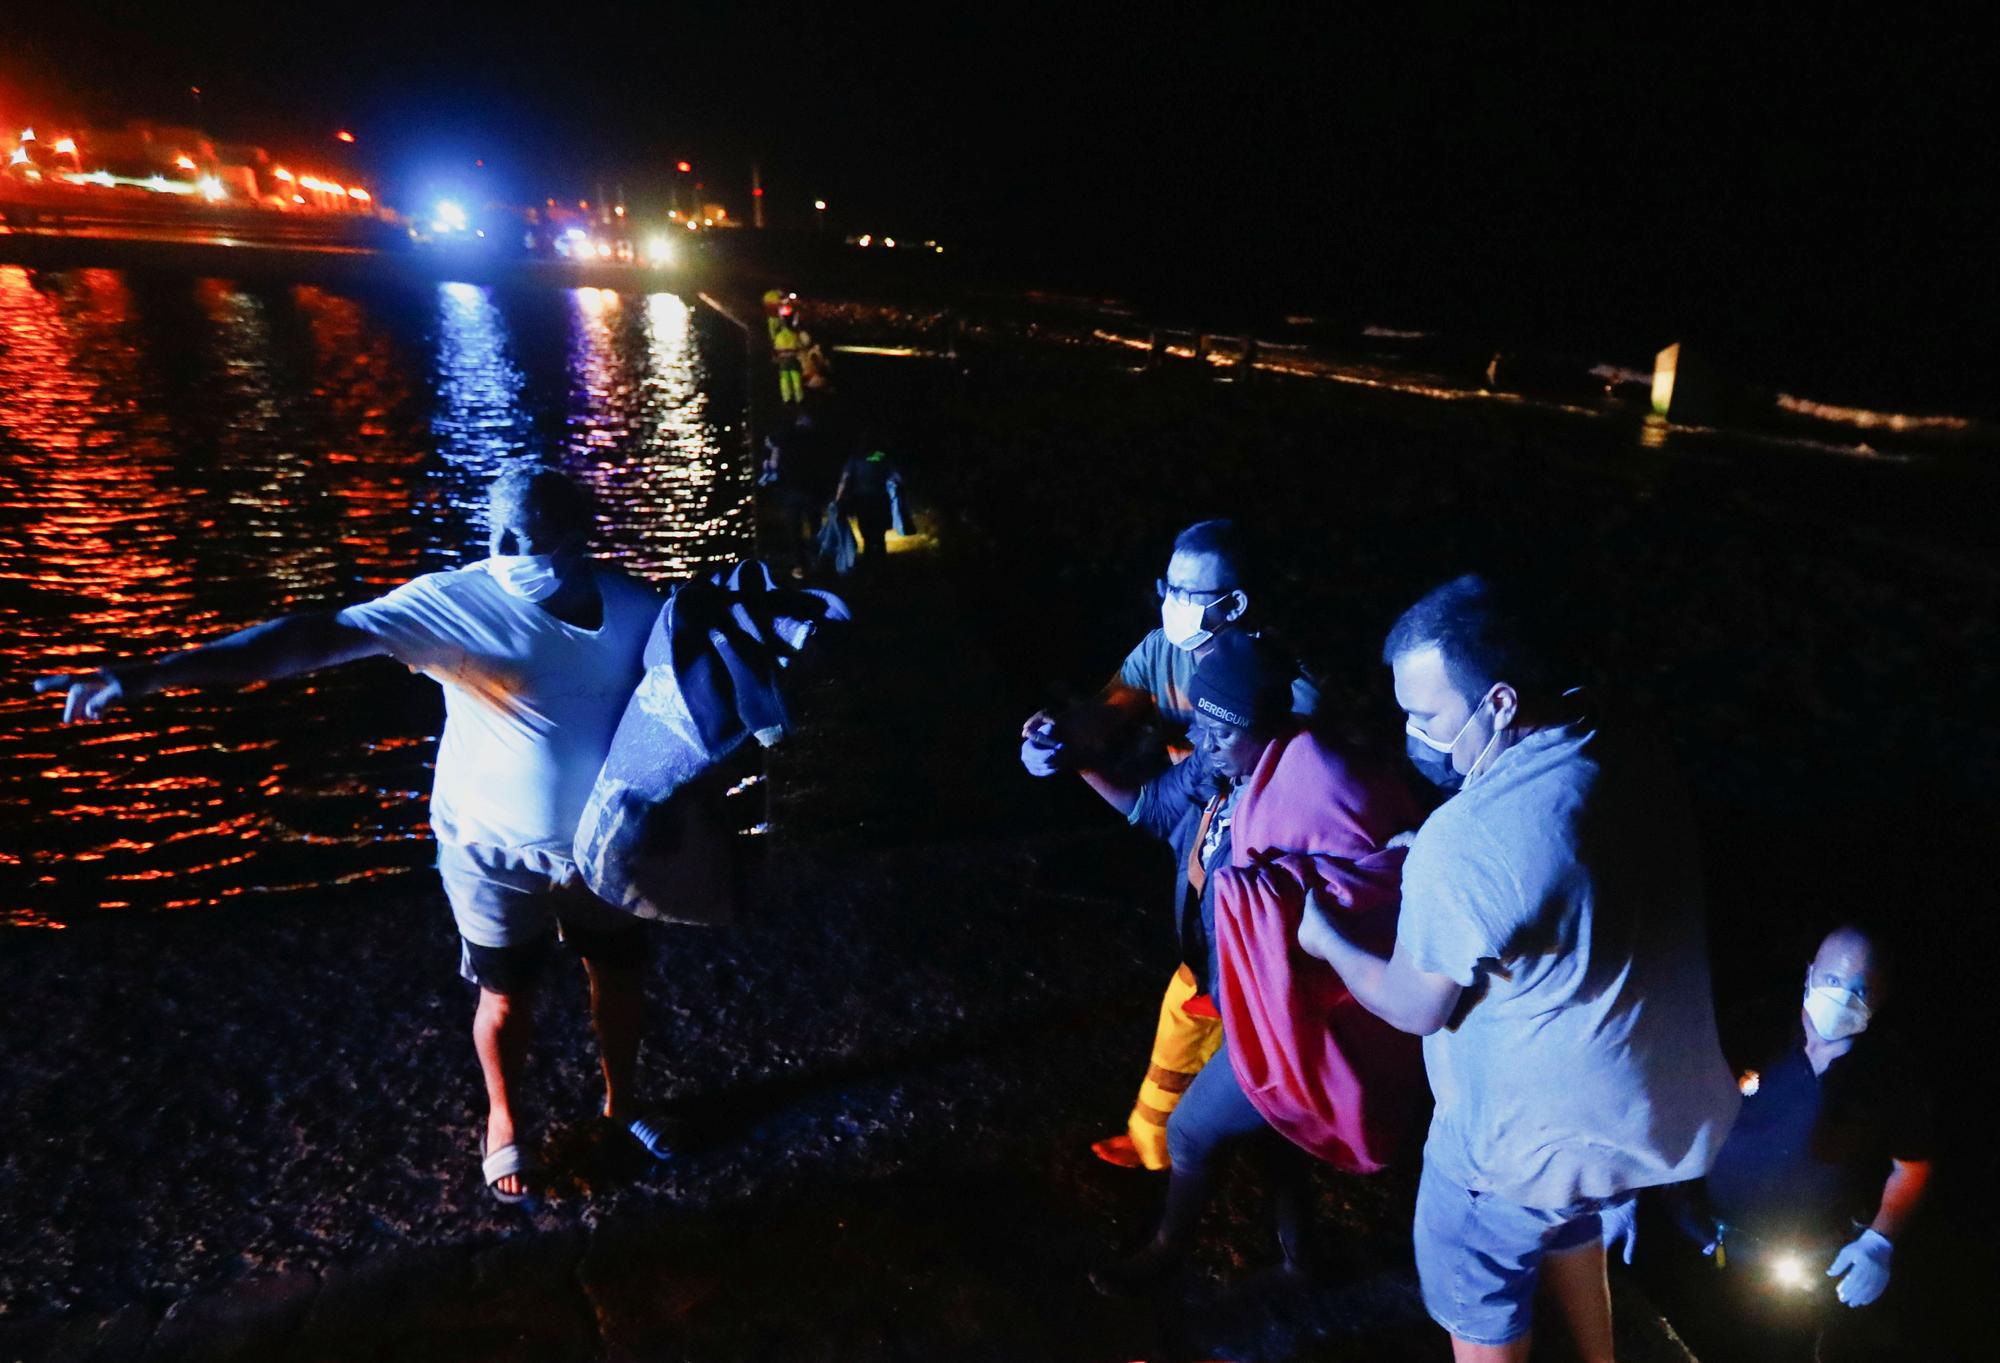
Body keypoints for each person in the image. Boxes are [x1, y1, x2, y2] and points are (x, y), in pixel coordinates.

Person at [35, 467, 679, 1204]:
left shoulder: (638, 606)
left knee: (620, 971)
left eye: (521, 536)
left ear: (574, 541)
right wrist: (153, 672)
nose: (500, 547)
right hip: (487, 849)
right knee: (505, 994)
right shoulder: (453, 603)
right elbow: (313, 638)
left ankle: (621, 1107)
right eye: (495, 531)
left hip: (604, 840)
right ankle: (504, 1119)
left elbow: (689, 698)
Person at [1296, 573, 1740, 1363]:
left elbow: (1413, 1005)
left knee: (1482, 1281)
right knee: (1571, 1217)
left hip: (1514, 1151)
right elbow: (1551, 881)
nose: (1412, 731)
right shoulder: (1628, 749)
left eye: (1426, 714)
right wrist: (1434, 872)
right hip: (1643, 1123)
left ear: (1498, 701)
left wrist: (1327, 937)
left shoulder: (1463, 838)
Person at [1078, 634, 1419, 1293]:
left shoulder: (1323, 781)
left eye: (1216, 733)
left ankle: (1164, 1254)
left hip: (1292, 1012)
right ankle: (1301, 1258)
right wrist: (1076, 759)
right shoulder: (1228, 765)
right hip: (1242, 997)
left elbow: (1388, 885)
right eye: (1198, 728)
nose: (1201, 745)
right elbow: (1155, 809)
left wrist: (1283, 893)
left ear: (1265, 727)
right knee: (1274, 1127)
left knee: (1191, 1129)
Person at [1019, 518, 1319, 1171]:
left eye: (1192, 593)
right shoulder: (1164, 651)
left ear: (1237, 603)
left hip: (1259, 870)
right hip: (1201, 844)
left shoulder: (1286, 684)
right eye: (1170, 588)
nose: (1175, 603)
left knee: (1243, 1008)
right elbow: (1112, 712)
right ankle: (1159, 1135)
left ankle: (1233, 1151)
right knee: (1192, 993)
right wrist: (1059, 739)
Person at [1656, 923, 1932, 1360]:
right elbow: (1677, 1108)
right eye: (1833, 980)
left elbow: (1912, 1166)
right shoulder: (1751, 1028)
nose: (1842, 997)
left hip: (1798, 1269)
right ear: (1810, 974)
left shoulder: (1892, 1074)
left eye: (1860, 989)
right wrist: (1630, 1185)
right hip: (1702, 1238)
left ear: (1881, 997)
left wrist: (1880, 1242)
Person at [832, 441, 903, 565]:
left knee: (866, 530)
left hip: (862, 499)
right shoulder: (882, 457)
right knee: (880, 532)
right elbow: (897, 477)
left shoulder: (855, 458)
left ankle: (868, 558)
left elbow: (845, 479)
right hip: (880, 498)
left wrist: (838, 499)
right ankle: (881, 559)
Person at [772, 306, 804, 406]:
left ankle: (787, 398)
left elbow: (776, 348)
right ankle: (799, 398)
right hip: (793, 361)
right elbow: (800, 346)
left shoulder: (778, 335)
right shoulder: (794, 334)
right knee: (796, 379)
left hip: (783, 361)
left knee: (784, 380)